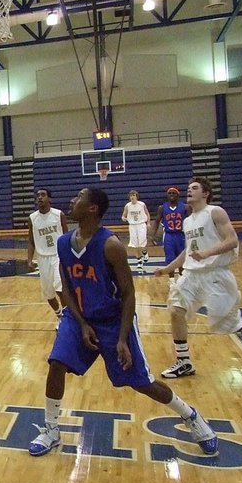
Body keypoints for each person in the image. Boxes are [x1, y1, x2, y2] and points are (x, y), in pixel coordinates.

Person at [28, 187, 218, 458]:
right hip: (78, 317)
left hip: (113, 320)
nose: (72, 200)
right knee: (56, 364)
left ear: (92, 208)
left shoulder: (111, 245)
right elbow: (66, 287)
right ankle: (51, 429)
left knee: (142, 383)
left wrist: (121, 339)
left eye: (79, 197)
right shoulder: (64, 242)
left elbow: (129, 294)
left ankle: (191, 416)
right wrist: (81, 323)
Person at [155, 177, 242, 378]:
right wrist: (168, 268)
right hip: (191, 275)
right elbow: (188, 251)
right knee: (176, 311)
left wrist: (207, 253)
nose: (189, 191)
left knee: (224, 324)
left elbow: (232, 240)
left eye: (194, 188)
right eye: (188, 188)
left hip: (216, 274)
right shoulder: (187, 221)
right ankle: (184, 362)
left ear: (205, 193)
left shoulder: (215, 212)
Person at [27, 188, 69, 322]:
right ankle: (60, 316)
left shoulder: (59, 215)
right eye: (38, 195)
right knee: (49, 294)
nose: (40, 197)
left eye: (43, 195)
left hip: (58, 255)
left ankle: (68, 318)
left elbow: (66, 237)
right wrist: (29, 259)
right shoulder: (32, 218)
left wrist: (68, 255)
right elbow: (31, 240)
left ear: (49, 199)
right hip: (42, 258)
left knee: (60, 288)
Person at [151, 186, 186, 275]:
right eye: (169, 193)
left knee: (182, 259)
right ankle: (171, 283)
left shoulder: (185, 207)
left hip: (181, 235)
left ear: (178, 195)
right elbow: (157, 221)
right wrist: (152, 235)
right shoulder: (162, 208)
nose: (171, 195)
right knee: (170, 260)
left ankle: (183, 281)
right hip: (169, 236)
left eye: (174, 193)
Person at [121, 190, 150, 272]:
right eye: (131, 195)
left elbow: (147, 213)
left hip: (141, 225)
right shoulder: (127, 206)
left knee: (142, 244)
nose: (132, 197)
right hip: (132, 226)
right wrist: (123, 218)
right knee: (134, 245)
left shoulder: (142, 204)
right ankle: (139, 261)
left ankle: (144, 252)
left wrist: (148, 223)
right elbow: (123, 215)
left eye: (134, 195)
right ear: (129, 197)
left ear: (137, 196)